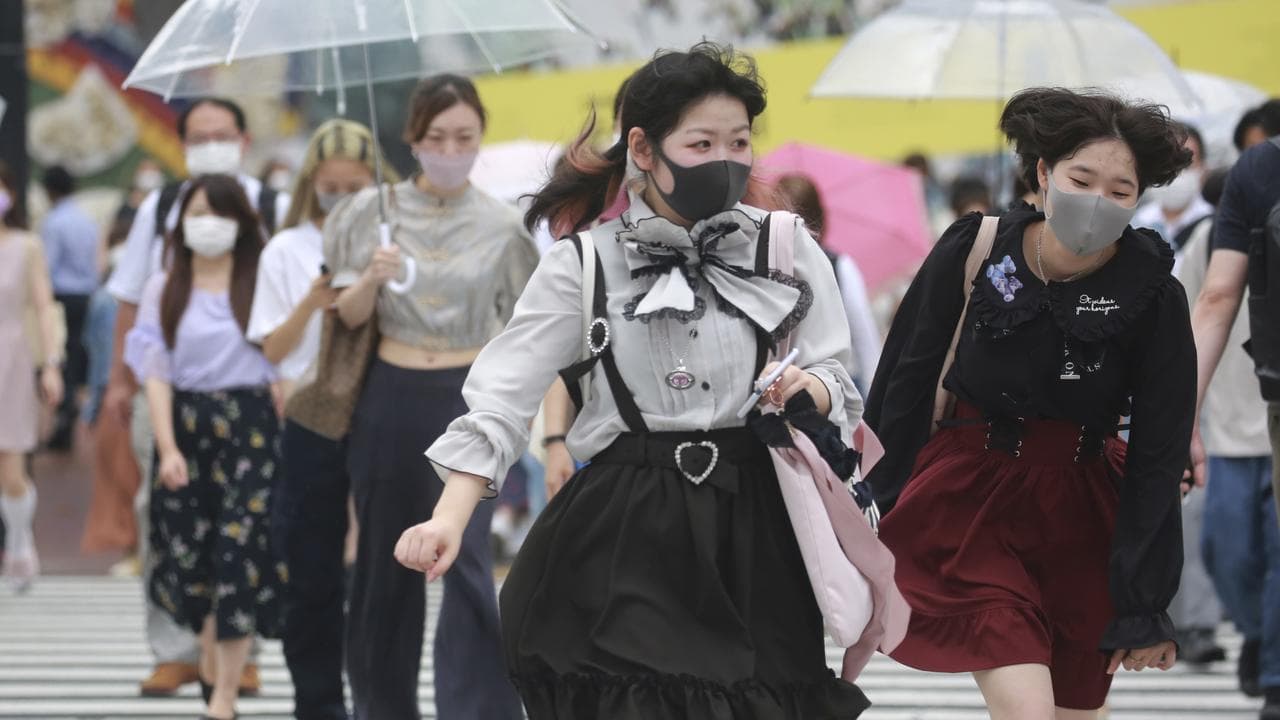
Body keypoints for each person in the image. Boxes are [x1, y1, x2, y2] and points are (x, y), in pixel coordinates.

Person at [394, 42, 871, 719]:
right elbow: (502, 398)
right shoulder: (581, 264)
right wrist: (449, 517)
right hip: (626, 528)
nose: (727, 160)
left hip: (755, 529)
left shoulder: (786, 247)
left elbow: (836, 374)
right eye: (701, 142)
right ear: (644, 149)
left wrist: (810, 391)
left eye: (740, 141)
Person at [865, 87, 1195, 719]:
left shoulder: (1153, 294)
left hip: (1085, 510)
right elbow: (904, 378)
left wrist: (1144, 602)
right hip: (973, 500)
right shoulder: (977, 248)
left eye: (1120, 191)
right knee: (1026, 709)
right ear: (1044, 173)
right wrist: (876, 503)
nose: (1098, 200)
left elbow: (1159, 448)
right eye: (1081, 177)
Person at [324, 73, 537, 720]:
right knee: (384, 568)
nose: (450, 148)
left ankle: (478, 710)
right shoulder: (369, 212)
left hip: (467, 396)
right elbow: (346, 316)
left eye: (464, 136)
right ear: (413, 139)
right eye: (436, 136)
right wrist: (371, 278)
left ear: (480, 138)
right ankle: (381, 708)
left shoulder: (504, 226)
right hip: (389, 397)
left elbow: (529, 328)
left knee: (468, 560)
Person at [104, 96, 285, 697]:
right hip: (170, 398)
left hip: (251, 411)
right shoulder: (161, 207)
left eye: (222, 134)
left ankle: (238, 653)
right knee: (166, 527)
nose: (211, 144)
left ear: (243, 138)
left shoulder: (270, 206)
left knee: (244, 536)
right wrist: (118, 382)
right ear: (183, 144)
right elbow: (130, 301)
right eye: (199, 135)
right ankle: (175, 649)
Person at [245, 118, 388, 720]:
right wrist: (312, 299)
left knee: (380, 568)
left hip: (381, 410)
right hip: (307, 418)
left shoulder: (390, 235)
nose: (339, 195)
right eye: (329, 184)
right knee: (312, 571)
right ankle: (319, 702)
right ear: (311, 183)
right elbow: (272, 350)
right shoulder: (285, 248)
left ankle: (379, 696)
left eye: (354, 184)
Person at [1187, 99, 1280, 720]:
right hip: (1237, 420)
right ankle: (1262, 643)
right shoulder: (1254, 179)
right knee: (1235, 552)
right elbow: (1210, 298)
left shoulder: (1260, 171)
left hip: (1269, 400)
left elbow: (1217, 300)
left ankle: (1274, 673)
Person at [0, 161, 64, 591]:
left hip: (11, 358)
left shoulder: (26, 246)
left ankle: (20, 541)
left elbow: (43, 306)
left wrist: (52, 364)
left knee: (11, 464)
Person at [775, 172, 882, 393]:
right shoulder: (761, 268)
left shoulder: (839, 266)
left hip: (831, 387)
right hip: (786, 387)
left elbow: (863, 336)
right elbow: (865, 338)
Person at [39, 165, 99, 450]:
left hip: (61, 296)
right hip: (84, 295)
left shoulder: (53, 222)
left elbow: (46, 267)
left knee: (58, 356)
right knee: (75, 354)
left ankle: (63, 416)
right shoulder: (86, 220)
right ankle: (69, 408)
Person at [1133, 122, 1212, 252]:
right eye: (1166, 164)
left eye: (1187, 164)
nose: (1176, 174)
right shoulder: (1137, 222)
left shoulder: (1214, 223)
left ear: (1203, 167)